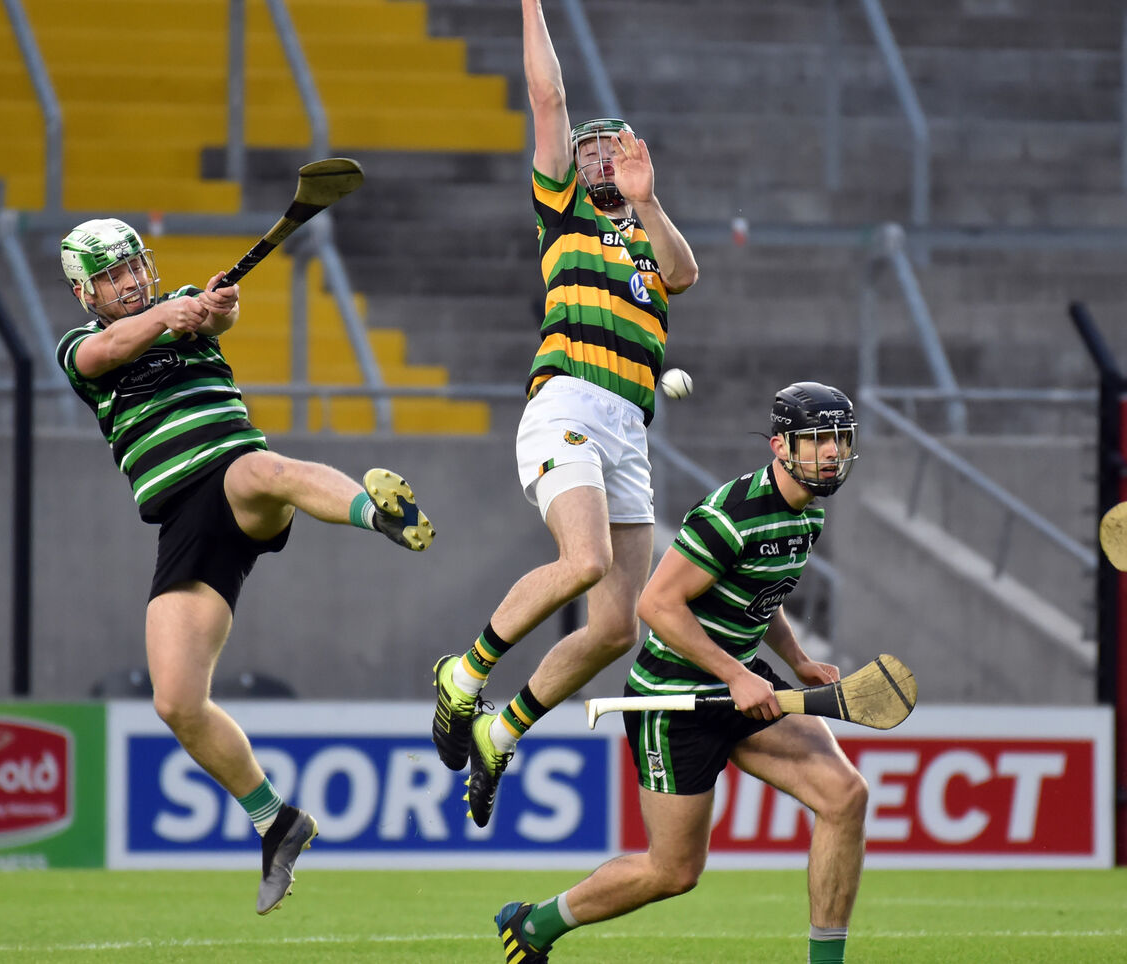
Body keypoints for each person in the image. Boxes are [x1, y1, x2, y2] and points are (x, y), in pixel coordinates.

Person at [54, 217, 435, 914]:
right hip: (182, 526)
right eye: (111, 277)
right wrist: (175, 314)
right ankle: (277, 821)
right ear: (86, 293)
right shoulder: (82, 346)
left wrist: (217, 308)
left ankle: (376, 513)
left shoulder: (187, 310)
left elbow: (215, 318)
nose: (130, 283)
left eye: (134, 267)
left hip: (230, 476)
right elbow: (106, 352)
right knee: (176, 701)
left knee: (264, 469)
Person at [431, 0, 699, 829]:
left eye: (611, 153)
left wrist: (649, 202)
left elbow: (684, 275)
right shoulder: (565, 217)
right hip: (567, 405)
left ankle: (502, 732)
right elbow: (547, 98)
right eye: (589, 151)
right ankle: (464, 676)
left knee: (616, 628)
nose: (596, 161)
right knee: (582, 562)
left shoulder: (647, 245)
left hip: (629, 431)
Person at [493, 382, 868, 964]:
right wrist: (735, 675)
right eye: (816, 440)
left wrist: (796, 662)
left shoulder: (805, 518)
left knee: (845, 796)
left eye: (839, 441)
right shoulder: (732, 514)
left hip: (742, 682)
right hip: (673, 702)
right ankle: (536, 923)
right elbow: (655, 605)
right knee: (673, 872)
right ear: (780, 445)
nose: (830, 453)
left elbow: (761, 597)